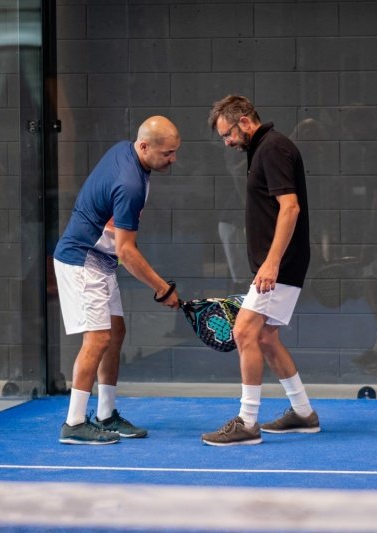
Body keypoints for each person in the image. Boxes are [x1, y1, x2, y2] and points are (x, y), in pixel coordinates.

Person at [53, 116, 181, 445]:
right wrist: (162, 289)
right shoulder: (130, 184)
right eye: (167, 153)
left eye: (175, 151)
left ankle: (106, 413)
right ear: (143, 147)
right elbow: (127, 252)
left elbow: (118, 251)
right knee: (97, 339)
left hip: (100, 259)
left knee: (116, 331)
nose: (173, 159)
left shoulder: (126, 151)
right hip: (81, 260)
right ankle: (74, 423)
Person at [201, 95, 319, 446]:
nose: (227, 142)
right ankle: (302, 413)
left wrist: (271, 262)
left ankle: (247, 422)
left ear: (245, 122)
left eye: (228, 135)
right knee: (266, 338)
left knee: (244, 334)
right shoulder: (262, 149)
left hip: (279, 265)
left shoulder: (272, 148)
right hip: (277, 263)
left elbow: (290, 208)